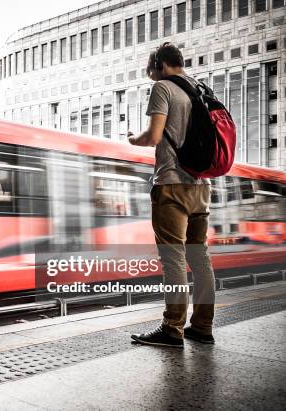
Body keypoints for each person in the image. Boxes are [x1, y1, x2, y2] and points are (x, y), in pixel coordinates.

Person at [128, 42, 216, 347]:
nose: (152, 77)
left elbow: (153, 136)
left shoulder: (164, 87)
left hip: (171, 185)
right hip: (201, 187)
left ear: (161, 65)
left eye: (152, 71)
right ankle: (203, 326)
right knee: (200, 257)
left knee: (174, 259)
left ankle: (172, 328)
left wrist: (132, 139)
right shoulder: (201, 88)